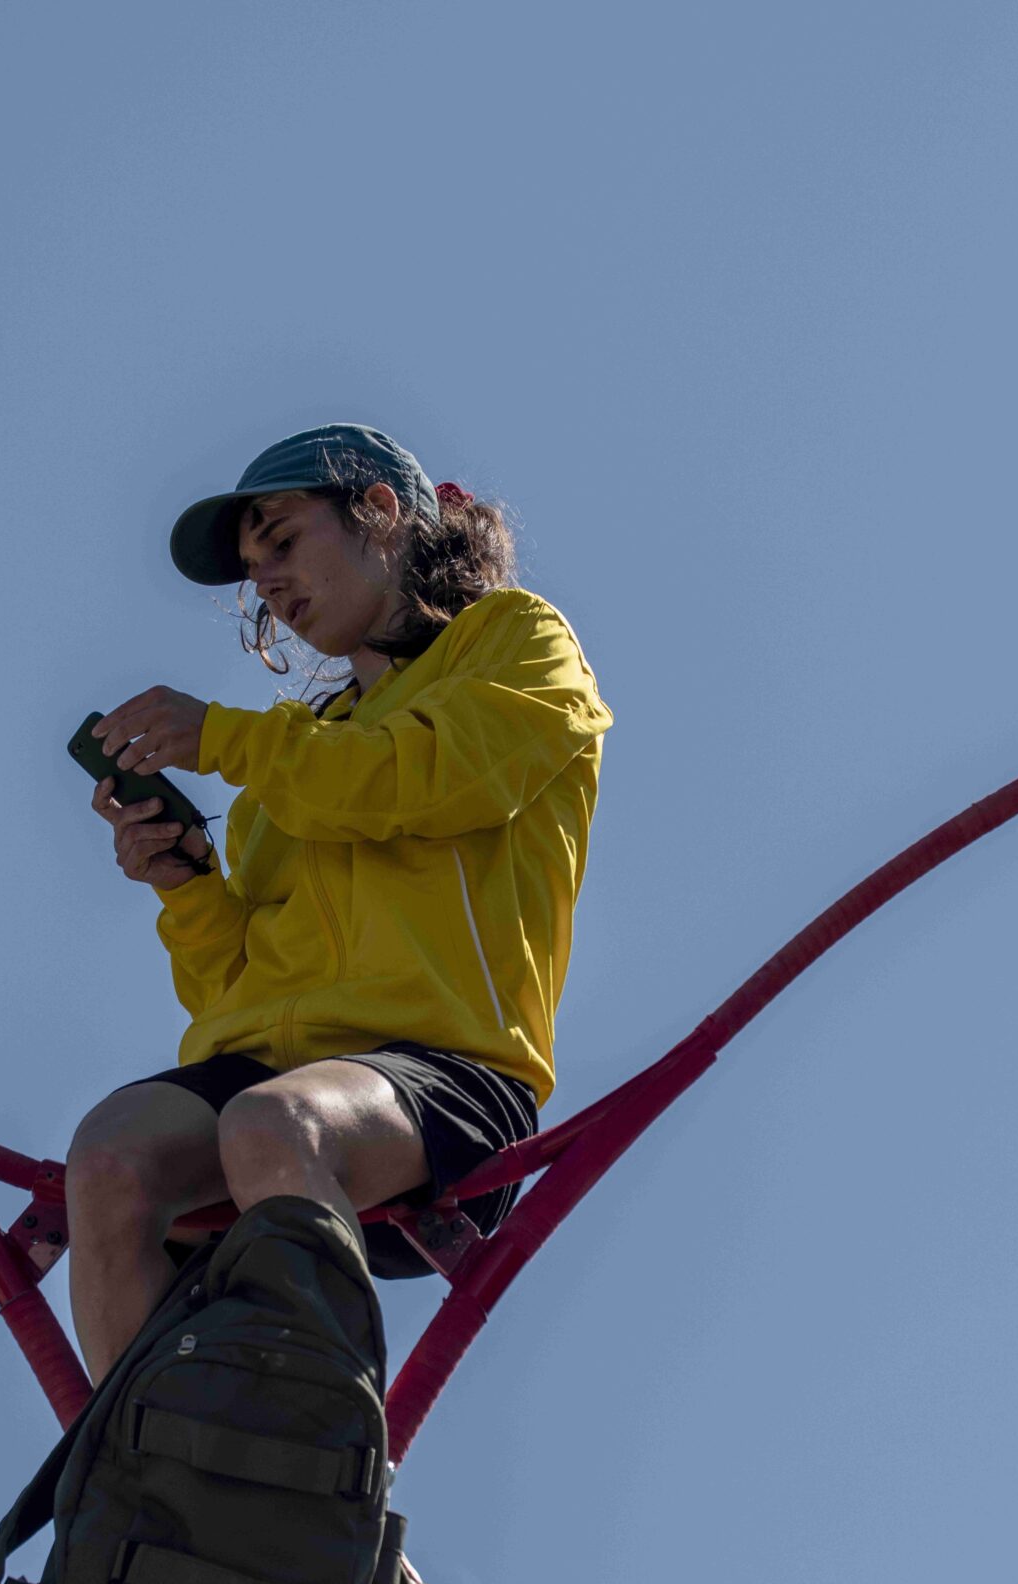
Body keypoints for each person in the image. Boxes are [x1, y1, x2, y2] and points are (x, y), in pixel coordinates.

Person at [65, 423, 612, 1385]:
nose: (266, 581)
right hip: (274, 1078)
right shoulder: (305, 749)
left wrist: (234, 741)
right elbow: (240, 988)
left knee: (276, 1126)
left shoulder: (518, 641)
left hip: (442, 1074)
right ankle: (139, 1493)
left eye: (281, 540)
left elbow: (430, 781)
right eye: (252, 567)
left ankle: (325, 1476)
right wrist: (187, 889)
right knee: (109, 1159)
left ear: (382, 513)